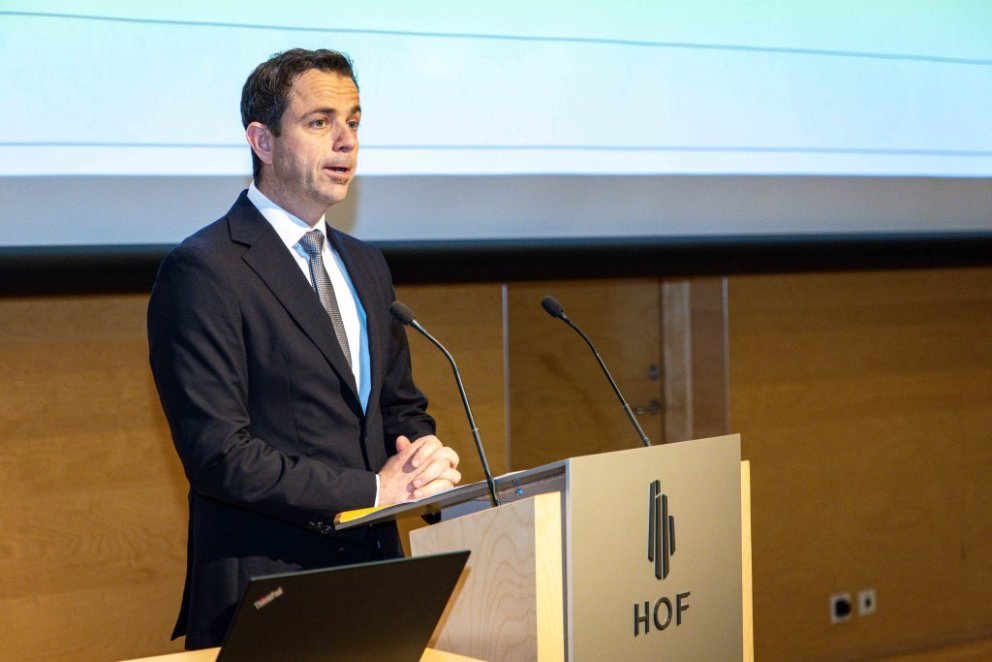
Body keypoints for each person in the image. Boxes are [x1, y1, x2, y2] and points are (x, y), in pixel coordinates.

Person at [147, 48, 461, 649]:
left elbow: (398, 407)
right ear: (262, 141)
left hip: (378, 578)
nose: (346, 141)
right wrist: (375, 492)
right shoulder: (205, 269)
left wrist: (422, 461)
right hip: (268, 589)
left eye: (354, 122)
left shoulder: (366, 264)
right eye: (320, 122)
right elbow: (220, 456)